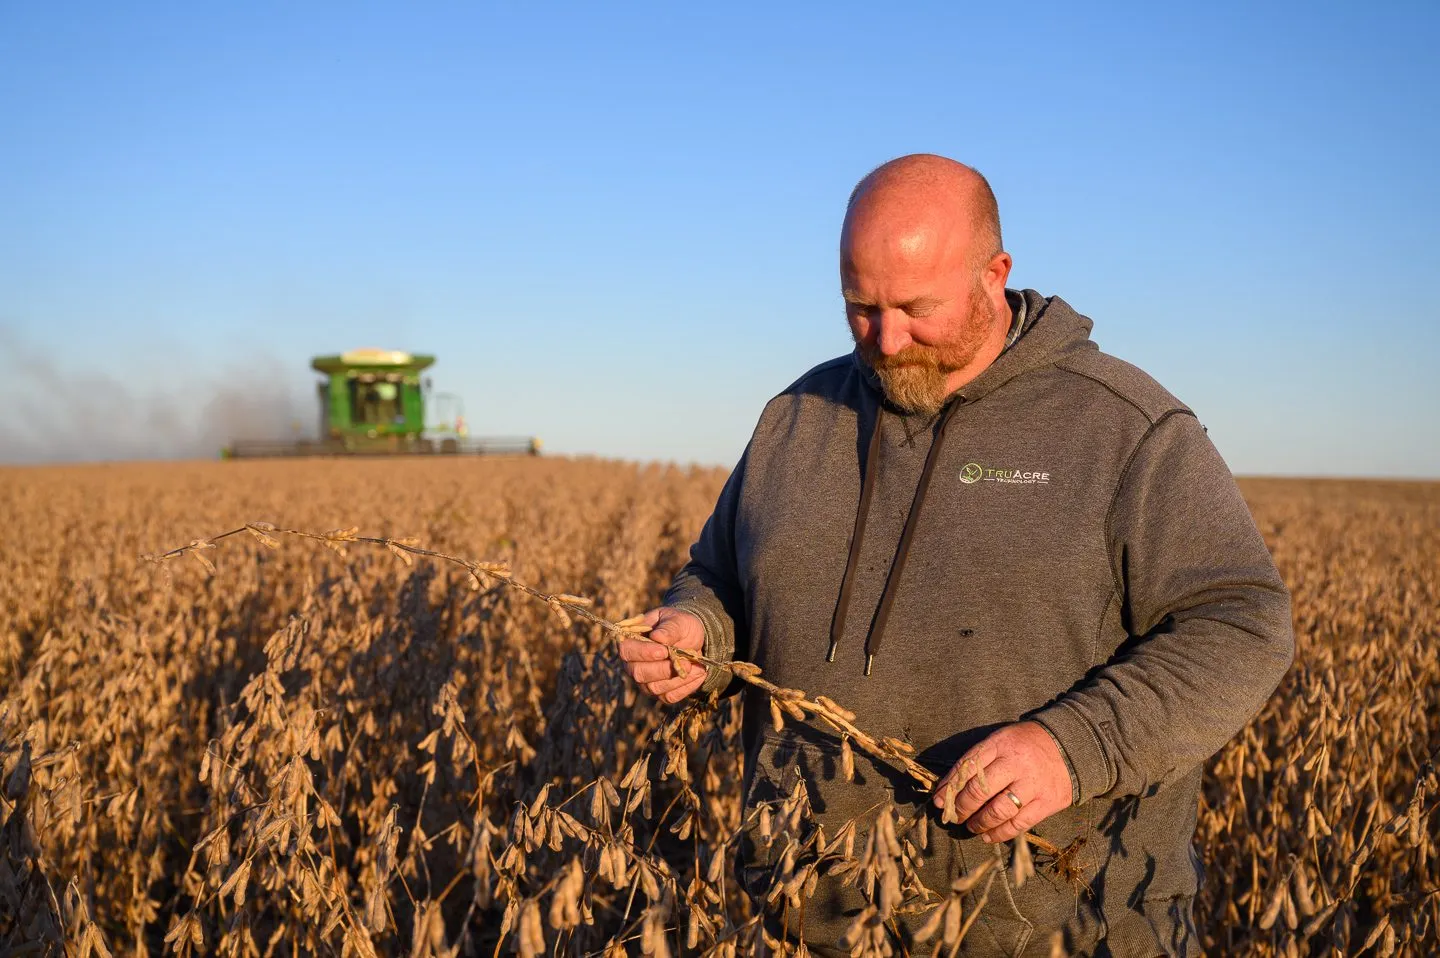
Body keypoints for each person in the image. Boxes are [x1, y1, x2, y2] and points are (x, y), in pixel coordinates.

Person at [620, 154, 1294, 957]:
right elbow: (720, 575)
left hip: (1057, 924)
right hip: (811, 915)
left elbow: (1242, 622)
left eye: (916, 307)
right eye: (860, 308)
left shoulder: (1123, 429)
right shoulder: (796, 419)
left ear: (993, 274)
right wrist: (702, 634)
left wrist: (1070, 750)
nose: (887, 338)